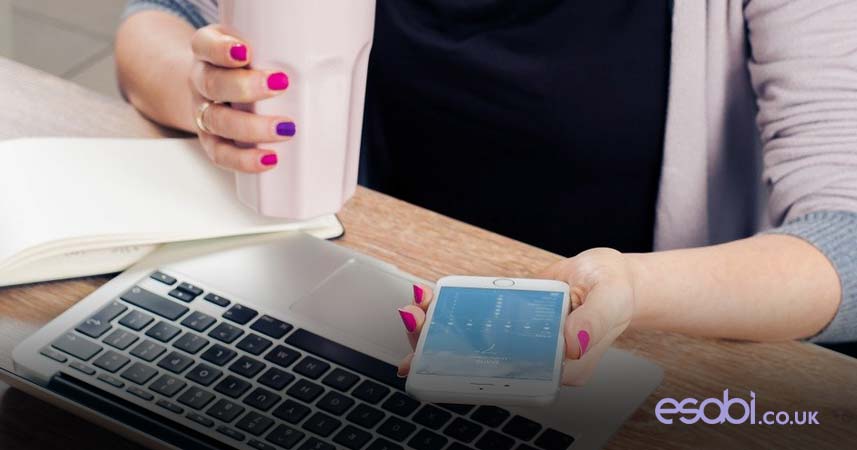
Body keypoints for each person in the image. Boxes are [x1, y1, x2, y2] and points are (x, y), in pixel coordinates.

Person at [116, 0, 857, 384]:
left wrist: (632, 287)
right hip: (345, 316)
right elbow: (157, 20)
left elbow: (846, 239)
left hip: (631, 365)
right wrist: (209, 90)